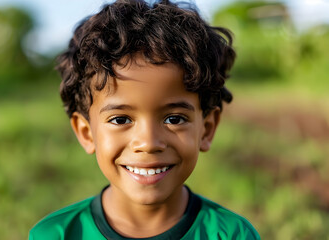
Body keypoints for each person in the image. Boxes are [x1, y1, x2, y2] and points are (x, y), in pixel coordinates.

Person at [29, 0, 260, 239]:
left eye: (174, 119)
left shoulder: (232, 234)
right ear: (86, 133)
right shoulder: (55, 235)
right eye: (120, 120)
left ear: (206, 129)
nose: (148, 142)